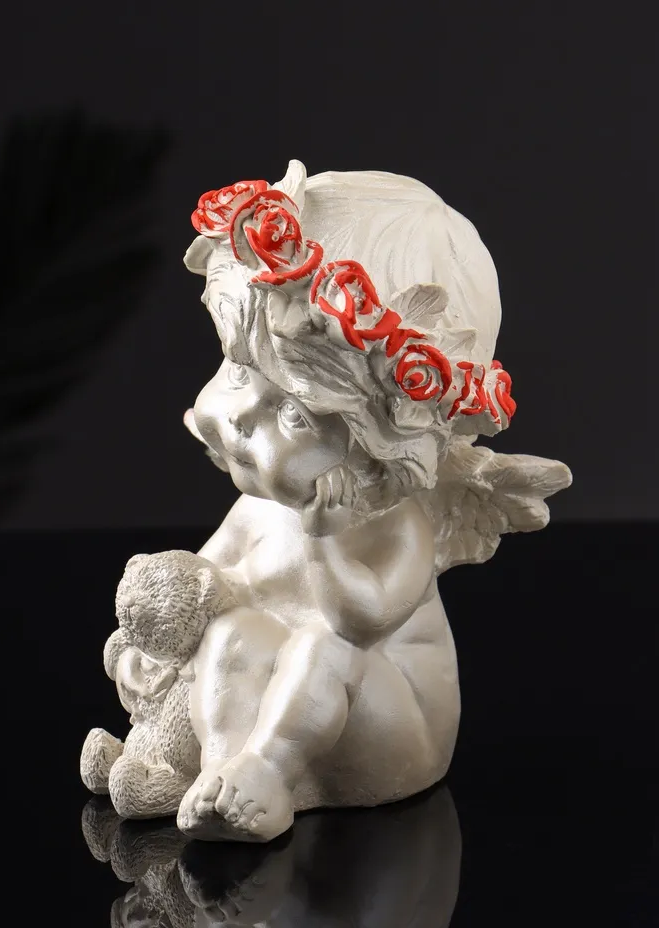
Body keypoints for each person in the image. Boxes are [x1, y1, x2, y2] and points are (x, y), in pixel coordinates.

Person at [172, 161, 570, 841]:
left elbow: (361, 621)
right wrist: (165, 611)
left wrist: (324, 540)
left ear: (378, 450)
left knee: (323, 648)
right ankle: (222, 771)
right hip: (295, 702)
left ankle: (269, 768)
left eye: (294, 414)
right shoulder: (261, 510)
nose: (237, 416)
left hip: (392, 724)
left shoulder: (398, 525)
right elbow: (213, 580)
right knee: (231, 635)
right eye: (238, 370)